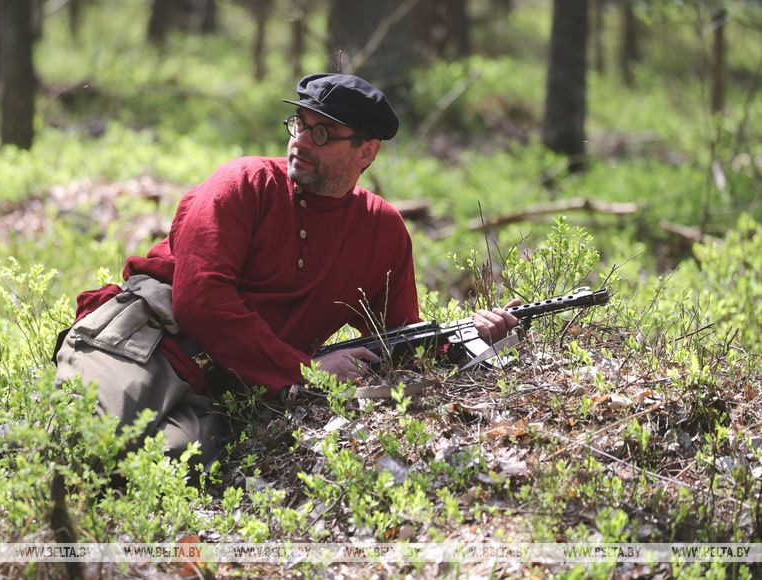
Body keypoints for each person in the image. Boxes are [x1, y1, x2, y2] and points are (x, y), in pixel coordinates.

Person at [54, 73, 520, 464]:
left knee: (168, 466)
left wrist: (476, 337)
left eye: (322, 134)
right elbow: (202, 300)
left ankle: (1, 443)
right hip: (142, 344)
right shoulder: (243, 183)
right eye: (299, 123)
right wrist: (307, 371)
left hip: (226, 387)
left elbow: (397, 338)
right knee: (91, 450)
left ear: (367, 151)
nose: (301, 141)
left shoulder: (383, 230)